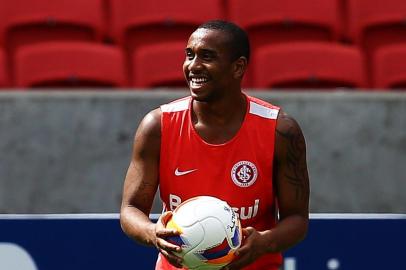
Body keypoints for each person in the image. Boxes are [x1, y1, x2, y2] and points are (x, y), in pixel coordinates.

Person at [120, 20, 310, 270]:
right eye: (190, 55)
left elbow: (297, 219)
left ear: (238, 67)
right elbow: (131, 208)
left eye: (207, 57)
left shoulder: (280, 130)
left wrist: (264, 242)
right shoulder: (158, 126)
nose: (194, 66)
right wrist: (152, 232)